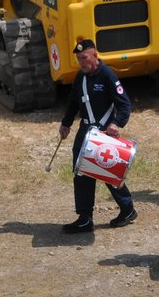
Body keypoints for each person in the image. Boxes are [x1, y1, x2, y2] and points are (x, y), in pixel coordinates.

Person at [58, 39, 136, 233]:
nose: (82, 62)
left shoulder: (107, 74)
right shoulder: (80, 78)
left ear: (95, 55)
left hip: (104, 132)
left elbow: (124, 104)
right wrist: (66, 124)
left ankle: (127, 208)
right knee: (81, 172)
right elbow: (73, 103)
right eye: (78, 59)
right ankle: (85, 218)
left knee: (109, 171)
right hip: (85, 131)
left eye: (84, 58)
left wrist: (117, 123)